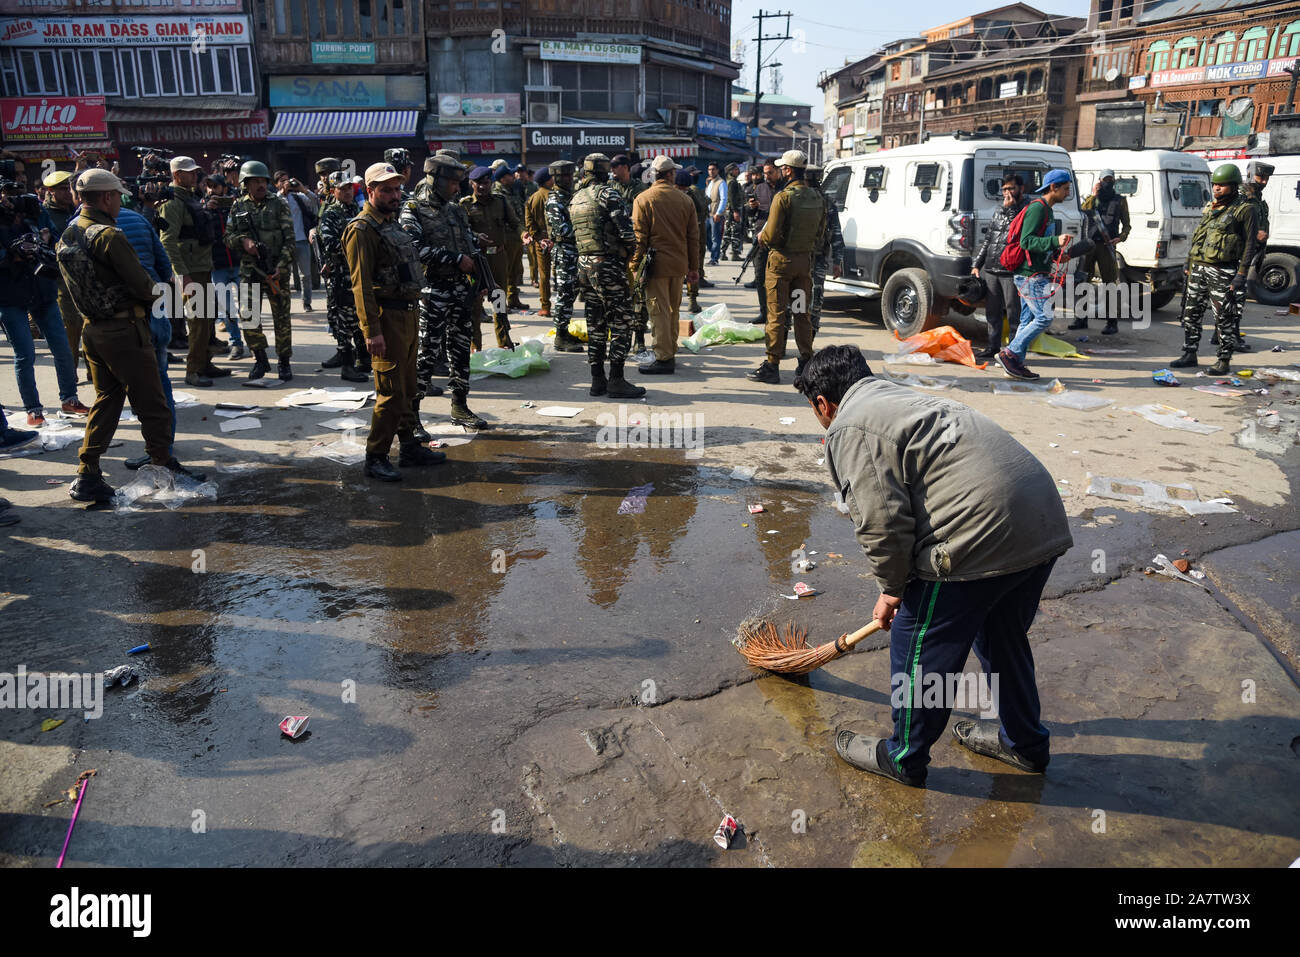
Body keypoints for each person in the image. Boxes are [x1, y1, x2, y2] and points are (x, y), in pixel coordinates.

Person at [796, 344, 1071, 788]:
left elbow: (881, 520)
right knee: (1002, 637)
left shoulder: (848, 424)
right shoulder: (899, 398)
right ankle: (1025, 744)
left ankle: (904, 757)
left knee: (917, 643)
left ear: (822, 403)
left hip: (977, 535)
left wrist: (892, 588)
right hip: (1040, 522)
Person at [55, 168, 202, 502]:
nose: (121, 201)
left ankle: (88, 472)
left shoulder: (68, 234)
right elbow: (143, 286)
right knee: (154, 404)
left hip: (93, 330)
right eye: (118, 196)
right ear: (107, 197)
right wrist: (163, 294)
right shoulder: (109, 236)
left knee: (106, 402)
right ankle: (163, 471)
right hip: (125, 331)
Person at [343, 162, 446, 481]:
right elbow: (360, 287)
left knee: (408, 387)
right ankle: (375, 456)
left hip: (408, 313)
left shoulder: (391, 223)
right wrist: (371, 332)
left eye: (397, 188)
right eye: (386, 189)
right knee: (389, 392)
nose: (394, 194)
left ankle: (409, 447)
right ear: (369, 191)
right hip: (385, 318)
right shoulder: (362, 229)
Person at [402, 155, 490, 431]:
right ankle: (412, 416)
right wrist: (453, 258)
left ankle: (460, 406)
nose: (456, 187)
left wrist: (480, 267)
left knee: (461, 350)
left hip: (461, 289)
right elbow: (412, 248)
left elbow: (465, 242)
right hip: (432, 291)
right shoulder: (413, 209)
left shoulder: (455, 210)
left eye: (458, 182)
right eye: (452, 181)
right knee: (426, 353)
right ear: (435, 179)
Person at [1, 184, 87, 426]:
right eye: (9, 187)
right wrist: (13, 255)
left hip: (43, 291)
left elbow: (59, 244)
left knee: (62, 348)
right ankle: (33, 409)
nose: (15, 191)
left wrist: (46, 241)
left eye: (19, 178)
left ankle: (70, 399)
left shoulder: (35, 211)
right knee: (25, 355)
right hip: (10, 295)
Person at [1169, 163, 1257, 376]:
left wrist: (1241, 275)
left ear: (1234, 186)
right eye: (1215, 184)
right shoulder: (1210, 207)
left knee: (1223, 318)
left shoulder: (1245, 209)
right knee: (1191, 314)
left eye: (1223, 185)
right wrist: (1188, 264)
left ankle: (1223, 360)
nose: (1217, 188)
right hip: (1199, 268)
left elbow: (1249, 244)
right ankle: (1190, 353)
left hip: (1223, 271)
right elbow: (1200, 237)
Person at [112, 197, 180, 472]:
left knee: (136, 388)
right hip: (156, 310)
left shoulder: (84, 226)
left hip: (126, 319)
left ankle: (158, 452)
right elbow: (165, 266)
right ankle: (166, 445)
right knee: (161, 380)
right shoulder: (139, 219)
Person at [569, 152, 645, 398]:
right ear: (605, 172)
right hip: (608, 265)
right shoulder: (607, 194)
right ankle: (617, 379)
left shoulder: (576, 198)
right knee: (621, 321)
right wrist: (631, 251)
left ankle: (597, 380)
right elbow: (626, 232)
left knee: (595, 323)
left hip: (584, 266)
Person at [747, 150, 825, 385]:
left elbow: (770, 235)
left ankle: (772, 364)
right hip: (803, 267)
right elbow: (821, 235)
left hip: (781, 266)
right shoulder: (817, 197)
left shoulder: (783, 198)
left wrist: (763, 238)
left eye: (782, 168)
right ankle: (805, 361)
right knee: (802, 312)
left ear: (788, 170)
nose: (781, 171)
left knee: (777, 313)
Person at [999, 168, 1077, 382]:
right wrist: (1055, 241)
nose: (1068, 193)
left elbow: (1038, 244)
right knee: (1044, 318)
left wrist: (1055, 256)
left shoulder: (1048, 210)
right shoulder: (1038, 209)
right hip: (1029, 275)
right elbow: (1026, 241)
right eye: (1066, 189)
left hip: (1037, 273)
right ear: (1054, 187)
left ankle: (1016, 363)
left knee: (1027, 320)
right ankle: (1009, 353)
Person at [160, 155, 227, 386]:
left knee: (207, 319)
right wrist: (182, 274)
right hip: (190, 270)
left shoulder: (189, 197)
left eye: (195, 171)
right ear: (177, 175)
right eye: (189, 172)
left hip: (201, 266)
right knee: (198, 322)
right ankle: (194, 370)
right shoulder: (172, 202)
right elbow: (167, 240)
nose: (195, 175)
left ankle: (205, 363)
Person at [226, 161, 296, 381]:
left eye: (263, 181)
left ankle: (284, 362)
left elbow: (290, 240)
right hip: (250, 272)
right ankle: (261, 359)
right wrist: (243, 241)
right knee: (248, 316)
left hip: (276, 270)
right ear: (245, 184)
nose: (260, 185)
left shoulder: (279, 204)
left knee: (282, 318)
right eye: (255, 181)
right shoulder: (237, 207)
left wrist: (281, 267)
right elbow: (227, 237)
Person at [629, 157, 698, 380]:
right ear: (669, 175)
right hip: (678, 265)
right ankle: (670, 350)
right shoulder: (685, 200)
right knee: (673, 311)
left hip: (655, 265)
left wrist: (633, 266)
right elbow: (693, 237)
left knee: (658, 312)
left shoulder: (643, 199)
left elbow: (639, 238)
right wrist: (694, 267)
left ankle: (663, 357)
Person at [317, 170, 367, 383]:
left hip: (358, 273)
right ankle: (347, 365)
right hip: (341, 276)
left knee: (359, 318)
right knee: (344, 320)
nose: (347, 192)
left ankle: (363, 358)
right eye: (342, 188)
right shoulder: (330, 214)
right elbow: (331, 245)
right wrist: (358, 247)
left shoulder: (357, 209)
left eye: (349, 188)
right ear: (332, 191)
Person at [970, 173, 1026, 359]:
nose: (1007, 193)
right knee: (992, 313)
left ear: (1021, 189)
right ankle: (993, 347)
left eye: (1011, 188)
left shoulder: (1025, 209)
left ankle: (1013, 352)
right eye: (1004, 189)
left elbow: (1018, 232)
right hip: (992, 268)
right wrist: (977, 263)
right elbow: (989, 239)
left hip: (1011, 271)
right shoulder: (998, 210)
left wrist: (1010, 209)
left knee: (1013, 314)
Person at [1071, 169, 1130, 336]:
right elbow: (1082, 213)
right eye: (1105, 179)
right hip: (1089, 246)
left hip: (1107, 246)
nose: (1107, 182)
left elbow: (1127, 225)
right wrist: (1094, 195)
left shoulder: (1120, 201)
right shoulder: (1091, 200)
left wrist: (1120, 238)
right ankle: (1080, 319)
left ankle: (1112, 323)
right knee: (1083, 282)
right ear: (1099, 181)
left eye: (1110, 180)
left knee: (1109, 284)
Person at [1225, 160, 1273, 352]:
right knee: (1236, 297)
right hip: (1238, 253)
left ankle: (1221, 334)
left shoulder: (1259, 199)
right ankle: (1231, 336)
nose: (1264, 181)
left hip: (1251, 251)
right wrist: (1255, 235)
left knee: (1232, 295)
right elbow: (1233, 225)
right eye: (1261, 177)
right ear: (1252, 175)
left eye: (1267, 178)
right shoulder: (1242, 196)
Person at [41, 170, 84, 378]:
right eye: (61, 189)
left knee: (88, 323)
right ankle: (70, 372)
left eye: (69, 188)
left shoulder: (75, 210)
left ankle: (94, 372)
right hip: (61, 277)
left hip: (82, 274)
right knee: (70, 325)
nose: (67, 193)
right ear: (50, 192)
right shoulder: (44, 214)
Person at [544, 160, 585, 354]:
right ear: (555, 178)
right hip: (564, 252)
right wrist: (585, 229)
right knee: (565, 294)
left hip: (575, 252)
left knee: (572, 293)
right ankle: (560, 336)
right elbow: (563, 229)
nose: (568, 179)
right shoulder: (554, 201)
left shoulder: (571, 196)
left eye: (569, 175)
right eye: (563, 176)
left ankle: (565, 331)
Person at [204, 174, 245, 362]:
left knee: (248, 307)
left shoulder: (236, 205)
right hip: (217, 266)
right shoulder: (201, 208)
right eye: (209, 186)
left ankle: (255, 342)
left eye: (216, 187)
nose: (212, 190)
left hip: (240, 263)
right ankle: (236, 343)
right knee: (228, 309)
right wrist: (206, 212)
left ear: (224, 189)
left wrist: (235, 206)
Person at [805, 164, 844, 339]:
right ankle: (808, 345)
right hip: (817, 259)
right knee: (815, 300)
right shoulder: (827, 202)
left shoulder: (793, 198)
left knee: (793, 301)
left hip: (799, 259)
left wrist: (837, 261)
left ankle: (784, 342)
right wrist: (837, 261)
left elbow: (835, 233)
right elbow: (836, 234)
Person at [274, 169, 319, 314]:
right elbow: (274, 208)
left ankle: (307, 303)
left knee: (305, 275)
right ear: (276, 185)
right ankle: (284, 306)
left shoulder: (298, 197)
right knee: (283, 277)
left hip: (301, 240)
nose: (286, 183)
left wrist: (301, 188)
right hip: (283, 243)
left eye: (288, 180)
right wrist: (282, 192)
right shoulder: (274, 199)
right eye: (282, 181)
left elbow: (314, 201)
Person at [745, 163, 782, 326]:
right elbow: (751, 213)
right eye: (765, 173)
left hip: (780, 240)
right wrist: (751, 207)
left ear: (778, 171)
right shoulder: (760, 188)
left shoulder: (786, 187)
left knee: (779, 279)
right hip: (761, 239)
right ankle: (764, 312)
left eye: (770, 173)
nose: (767, 176)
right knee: (760, 277)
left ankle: (779, 314)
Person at [491, 164, 527, 311]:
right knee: (503, 273)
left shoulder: (512, 190)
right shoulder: (497, 194)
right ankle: (500, 304)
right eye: (510, 175)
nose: (513, 177)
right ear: (503, 178)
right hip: (505, 238)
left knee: (514, 271)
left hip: (516, 236)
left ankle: (513, 298)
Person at [680, 170, 711, 315]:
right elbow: (703, 207)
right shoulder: (694, 191)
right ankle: (692, 300)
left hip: (680, 236)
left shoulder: (671, 194)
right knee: (694, 265)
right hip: (694, 233)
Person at [524, 167, 553, 318]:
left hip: (540, 241)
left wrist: (539, 239)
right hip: (557, 241)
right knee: (561, 274)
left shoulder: (532, 198)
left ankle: (545, 306)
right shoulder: (556, 196)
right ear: (548, 180)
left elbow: (529, 223)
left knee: (543, 275)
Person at [705, 163, 726, 266]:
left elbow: (723, 199)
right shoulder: (710, 183)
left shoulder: (721, 183)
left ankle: (714, 259)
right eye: (709, 169)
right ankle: (715, 252)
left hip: (716, 215)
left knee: (715, 237)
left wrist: (718, 213)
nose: (711, 171)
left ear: (717, 170)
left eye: (713, 169)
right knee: (705, 236)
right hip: (708, 215)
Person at [723, 162, 744, 260]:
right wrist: (735, 211)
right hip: (733, 210)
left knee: (727, 232)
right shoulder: (732, 182)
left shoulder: (728, 181)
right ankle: (735, 254)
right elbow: (731, 198)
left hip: (729, 210)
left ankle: (723, 252)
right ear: (730, 171)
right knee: (735, 232)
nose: (737, 171)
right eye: (735, 169)